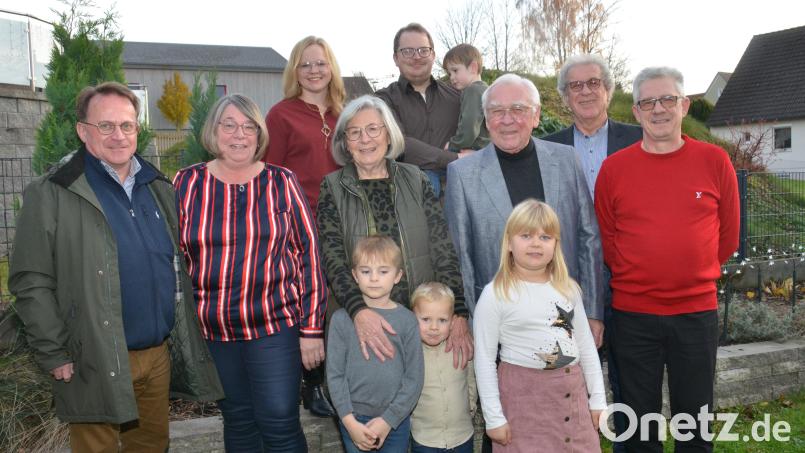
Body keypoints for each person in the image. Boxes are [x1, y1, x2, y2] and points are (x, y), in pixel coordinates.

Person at [9, 81, 223, 452]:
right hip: (91, 356)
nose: (118, 135)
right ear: (82, 131)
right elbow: (31, 280)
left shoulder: (157, 187)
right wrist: (54, 351)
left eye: (127, 125)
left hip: (156, 356)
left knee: (152, 447)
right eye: (105, 126)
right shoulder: (54, 192)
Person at [594, 67, 740, 452]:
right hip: (633, 316)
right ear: (637, 112)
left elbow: (728, 237)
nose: (658, 109)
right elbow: (607, 239)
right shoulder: (614, 169)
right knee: (639, 426)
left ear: (684, 105)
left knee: (694, 423)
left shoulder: (715, 160)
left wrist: (691, 270)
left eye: (667, 100)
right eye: (648, 102)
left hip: (695, 314)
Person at [174, 94, 327, 452]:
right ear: (213, 132)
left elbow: (310, 257)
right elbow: (173, 256)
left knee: (279, 420)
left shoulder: (281, 181)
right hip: (214, 331)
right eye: (229, 125)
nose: (239, 135)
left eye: (248, 127)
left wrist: (311, 330)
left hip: (275, 327)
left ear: (259, 136)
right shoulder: (186, 184)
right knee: (239, 420)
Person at [317, 95, 473, 370]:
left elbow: (442, 248)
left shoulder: (416, 179)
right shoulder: (332, 187)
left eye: (373, 129)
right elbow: (333, 259)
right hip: (362, 320)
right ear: (345, 142)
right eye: (355, 132)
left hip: (420, 320)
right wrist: (359, 311)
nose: (365, 139)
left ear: (389, 135)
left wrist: (458, 311)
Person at [540, 53, 643, 451]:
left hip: (628, 280)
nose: (585, 91)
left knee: (631, 384)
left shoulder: (638, 138)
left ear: (609, 90)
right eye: (575, 85)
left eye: (593, 83)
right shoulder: (545, 148)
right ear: (565, 96)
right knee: (566, 384)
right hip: (567, 282)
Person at [444, 73, 604, 327]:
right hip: (501, 320)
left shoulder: (566, 160)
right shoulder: (462, 174)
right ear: (486, 119)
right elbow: (460, 255)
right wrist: (469, 320)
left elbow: (589, 238)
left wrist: (594, 312)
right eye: (497, 111)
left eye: (518, 109)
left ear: (536, 115)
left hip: (567, 312)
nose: (507, 119)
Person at [473, 199, 605, 452]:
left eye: (546, 237)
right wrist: (494, 417)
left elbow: (587, 349)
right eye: (526, 235)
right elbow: (485, 360)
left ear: (556, 245)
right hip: (524, 407)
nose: (536, 243)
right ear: (509, 243)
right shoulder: (495, 294)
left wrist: (598, 400)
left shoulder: (568, 289)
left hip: (572, 402)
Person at [264, 34, 345, 418]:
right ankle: (311, 385)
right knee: (309, 302)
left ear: (332, 68)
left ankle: (341, 378)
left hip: (345, 220)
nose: (314, 70)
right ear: (295, 70)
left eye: (321, 62)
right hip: (301, 224)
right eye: (306, 63)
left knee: (341, 300)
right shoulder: (281, 115)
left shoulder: (344, 112)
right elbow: (270, 174)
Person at [327, 235, 424, 452]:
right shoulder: (341, 320)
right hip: (353, 419)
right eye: (365, 271)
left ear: (398, 275)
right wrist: (348, 421)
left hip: (395, 420)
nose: (373, 278)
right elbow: (334, 375)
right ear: (354, 275)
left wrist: (389, 420)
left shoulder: (408, 320)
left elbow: (414, 378)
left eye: (383, 271)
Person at [376, 23, 463, 197]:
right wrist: (457, 160)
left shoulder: (458, 96)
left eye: (423, 50)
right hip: (408, 203)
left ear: (433, 55)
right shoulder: (382, 100)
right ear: (395, 58)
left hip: (459, 200)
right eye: (407, 51)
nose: (416, 57)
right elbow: (398, 143)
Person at [410, 282, 477, 453]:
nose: (434, 327)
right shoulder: (410, 353)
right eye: (425, 319)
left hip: (462, 435)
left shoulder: (460, 346)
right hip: (425, 439)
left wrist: (471, 405)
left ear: (453, 321)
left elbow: (470, 379)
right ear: (412, 317)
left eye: (442, 320)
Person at [443, 43, 489, 153]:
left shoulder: (472, 91)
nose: (452, 77)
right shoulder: (485, 89)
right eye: (449, 73)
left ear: (473, 67)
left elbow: (469, 127)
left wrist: (453, 144)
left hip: (474, 150)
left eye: (455, 71)